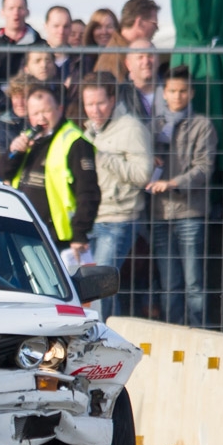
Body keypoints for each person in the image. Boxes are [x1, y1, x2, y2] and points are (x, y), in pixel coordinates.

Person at [146, 66, 216, 328]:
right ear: (164, 93)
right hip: (160, 213)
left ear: (192, 92)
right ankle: (172, 336)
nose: (177, 96)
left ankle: (200, 333)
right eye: (173, 91)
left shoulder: (202, 125)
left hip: (190, 212)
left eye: (183, 91)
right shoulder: (154, 125)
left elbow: (204, 167)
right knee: (169, 284)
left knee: (194, 282)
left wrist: (174, 183)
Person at [81, 72, 153, 319]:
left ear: (112, 99)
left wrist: (104, 157)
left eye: (100, 103)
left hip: (120, 217)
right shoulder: (89, 130)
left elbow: (143, 174)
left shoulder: (132, 128)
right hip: (92, 217)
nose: (95, 110)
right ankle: (109, 332)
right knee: (98, 286)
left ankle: (99, 336)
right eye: (89, 104)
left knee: (99, 285)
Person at [6, 85, 100, 253]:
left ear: (59, 109)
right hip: (24, 230)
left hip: (58, 238)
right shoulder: (28, 139)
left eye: (46, 111)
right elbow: (4, 174)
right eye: (35, 114)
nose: (41, 118)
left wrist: (79, 234)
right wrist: (14, 153)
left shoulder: (74, 141)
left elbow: (88, 191)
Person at [94, 0, 160, 82]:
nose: (157, 28)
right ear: (140, 22)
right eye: (154, 24)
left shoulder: (119, 49)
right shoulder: (115, 58)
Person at [0, 0, 46, 83]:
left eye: (20, 8)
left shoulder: (41, 47)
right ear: (2, 12)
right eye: (11, 8)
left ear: (27, 12)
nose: (16, 13)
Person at [118, 38, 158, 121]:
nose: (146, 61)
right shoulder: (118, 95)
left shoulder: (173, 91)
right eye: (140, 57)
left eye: (150, 56)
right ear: (128, 64)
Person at [44, 6, 74, 85]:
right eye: (56, 26)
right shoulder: (32, 58)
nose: (61, 31)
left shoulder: (81, 61)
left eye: (66, 26)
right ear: (46, 26)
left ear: (71, 28)